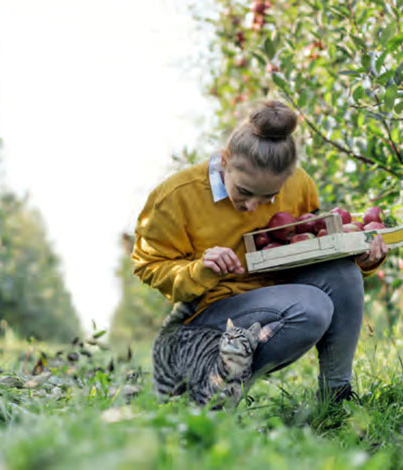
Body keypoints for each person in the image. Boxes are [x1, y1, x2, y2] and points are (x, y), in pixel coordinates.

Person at [132, 100, 388, 403]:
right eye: (244, 191)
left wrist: (361, 256)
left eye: (270, 197)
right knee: (311, 308)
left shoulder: (299, 185)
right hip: (209, 316)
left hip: (278, 294)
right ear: (225, 160)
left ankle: (337, 398)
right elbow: (148, 265)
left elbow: (316, 244)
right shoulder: (177, 196)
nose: (253, 206)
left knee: (343, 274)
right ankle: (213, 392)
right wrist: (198, 268)